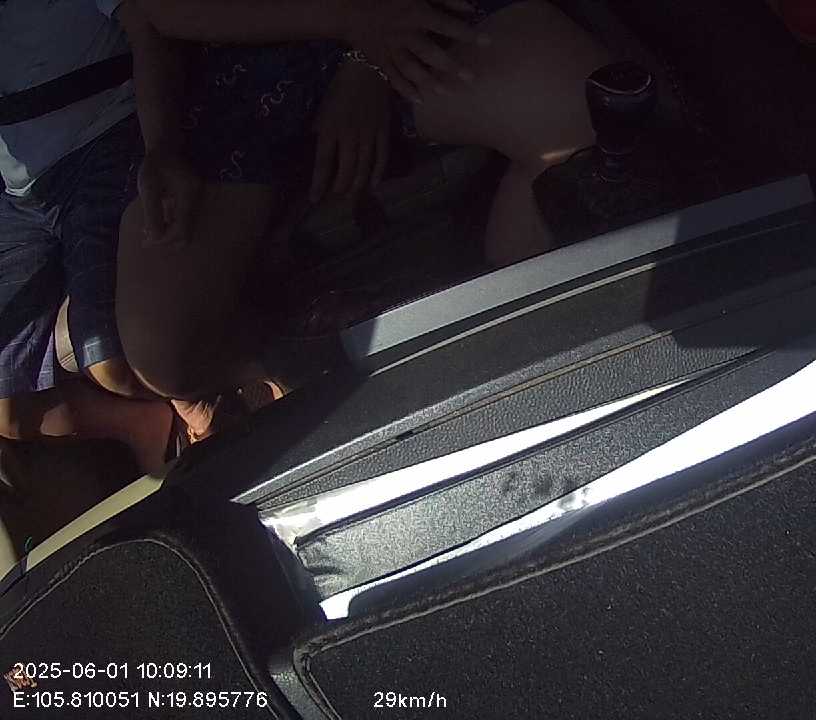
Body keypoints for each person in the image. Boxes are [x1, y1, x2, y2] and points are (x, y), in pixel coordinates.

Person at [117, 0, 612, 402]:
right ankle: (301, 360)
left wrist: (366, 62)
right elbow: (159, 10)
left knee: (588, 113)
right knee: (165, 352)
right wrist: (161, 144)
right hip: (242, 60)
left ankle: (526, 360)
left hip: (409, 15)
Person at [0, 0, 189, 476]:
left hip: (104, 136)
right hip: (19, 195)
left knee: (108, 359)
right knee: (8, 410)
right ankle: (149, 425)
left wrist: (161, 146)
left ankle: (209, 405)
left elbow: (147, 30)